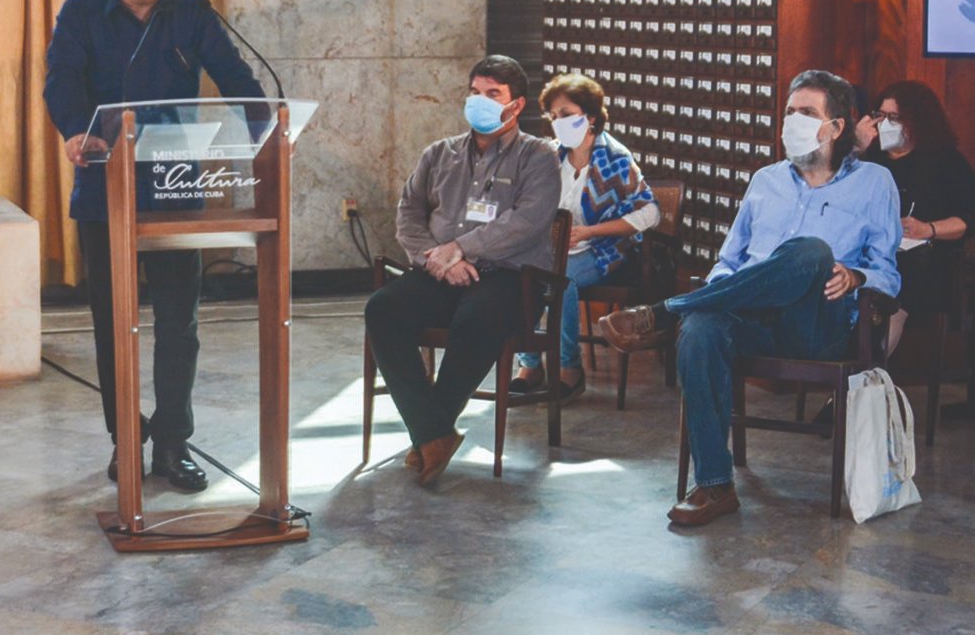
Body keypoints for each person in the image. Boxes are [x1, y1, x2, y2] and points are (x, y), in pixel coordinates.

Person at [598, 70, 900, 527]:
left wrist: (856, 276)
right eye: (789, 112)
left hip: (816, 325)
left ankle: (663, 312)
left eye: (807, 113)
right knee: (701, 329)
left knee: (812, 251)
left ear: (837, 127)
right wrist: (726, 290)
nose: (792, 121)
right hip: (752, 321)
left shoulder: (875, 183)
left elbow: (889, 277)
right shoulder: (766, 180)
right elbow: (728, 262)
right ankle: (715, 485)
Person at [43, 0, 265, 492]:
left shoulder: (192, 11)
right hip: (104, 184)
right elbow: (60, 80)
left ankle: (172, 442)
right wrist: (73, 129)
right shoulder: (81, 13)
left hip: (174, 184)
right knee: (113, 321)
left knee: (178, 323)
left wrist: (269, 131)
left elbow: (236, 77)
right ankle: (125, 441)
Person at [364, 56, 562, 485]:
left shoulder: (539, 157)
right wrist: (437, 259)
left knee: (478, 318)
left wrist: (460, 249)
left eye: (493, 95)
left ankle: (429, 432)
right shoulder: (439, 154)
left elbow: (525, 223)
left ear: (516, 105)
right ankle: (434, 433)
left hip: (508, 277)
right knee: (383, 308)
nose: (480, 102)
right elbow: (408, 215)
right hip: (439, 272)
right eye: (475, 92)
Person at [512, 73, 658, 402]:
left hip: (605, 251)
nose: (557, 122)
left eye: (566, 114)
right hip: (555, 249)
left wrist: (590, 231)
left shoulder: (615, 158)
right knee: (526, 275)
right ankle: (530, 365)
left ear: (590, 117)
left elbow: (650, 213)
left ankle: (569, 369)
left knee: (559, 280)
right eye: (553, 116)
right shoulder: (550, 157)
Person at [854, 80, 975, 353]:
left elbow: (968, 218)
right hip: (871, 252)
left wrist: (928, 229)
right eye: (880, 115)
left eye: (894, 117)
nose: (885, 123)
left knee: (895, 289)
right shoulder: (870, 158)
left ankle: (867, 379)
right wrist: (855, 148)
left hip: (925, 260)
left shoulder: (945, 161)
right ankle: (847, 375)